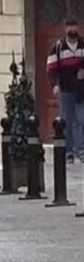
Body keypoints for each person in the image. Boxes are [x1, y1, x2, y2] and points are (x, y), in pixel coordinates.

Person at [47, 18, 84, 162]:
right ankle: (69, 151)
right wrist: (54, 85)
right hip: (66, 88)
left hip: (81, 90)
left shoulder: (82, 45)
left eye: (74, 27)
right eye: (69, 27)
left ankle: (80, 150)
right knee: (67, 120)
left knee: (81, 120)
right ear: (65, 29)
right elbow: (51, 68)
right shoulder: (58, 47)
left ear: (78, 28)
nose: (72, 30)